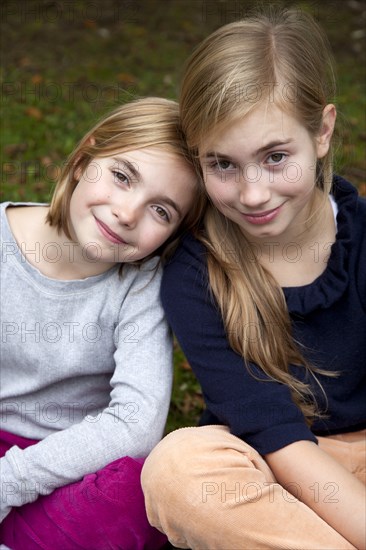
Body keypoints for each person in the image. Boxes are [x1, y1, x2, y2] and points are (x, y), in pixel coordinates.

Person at [141, 8, 366, 550]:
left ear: (322, 132)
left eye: (275, 156)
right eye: (223, 164)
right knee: (179, 470)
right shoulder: (197, 272)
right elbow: (277, 436)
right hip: (270, 472)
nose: (253, 193)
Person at [0, 96, 205, 550]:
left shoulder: (141, 281)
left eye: (161, 211)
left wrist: (11, 480)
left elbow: (136, 423)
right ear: (83, 159)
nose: (128, 213)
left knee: (137, 493)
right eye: (121, 176)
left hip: (68, 467)